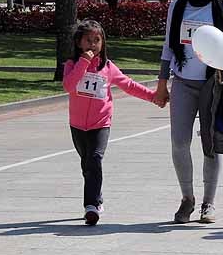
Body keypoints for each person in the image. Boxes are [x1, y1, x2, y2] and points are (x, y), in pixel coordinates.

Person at [155, 0, 223, 224]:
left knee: (211, 145)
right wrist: (162, 83)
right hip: (182, 82)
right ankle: (187, 199)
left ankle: (209, 203)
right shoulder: (177, 6)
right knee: (180, 142)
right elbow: (169, 47)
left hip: (213, 86)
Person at [63, 20, 161, 225]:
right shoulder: (72, 65)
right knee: (87, 163)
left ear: (103, 43)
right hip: (78, 125)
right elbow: (69, 86)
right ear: (79, 42)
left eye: (97, 40)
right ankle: (96, 198)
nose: (92, 45)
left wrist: (153, 97)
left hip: (101, 123)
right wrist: (83, 63)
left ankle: (90, 206)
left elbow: (128, 85)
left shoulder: (107, 67)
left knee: (95, 159)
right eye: (88, 40)